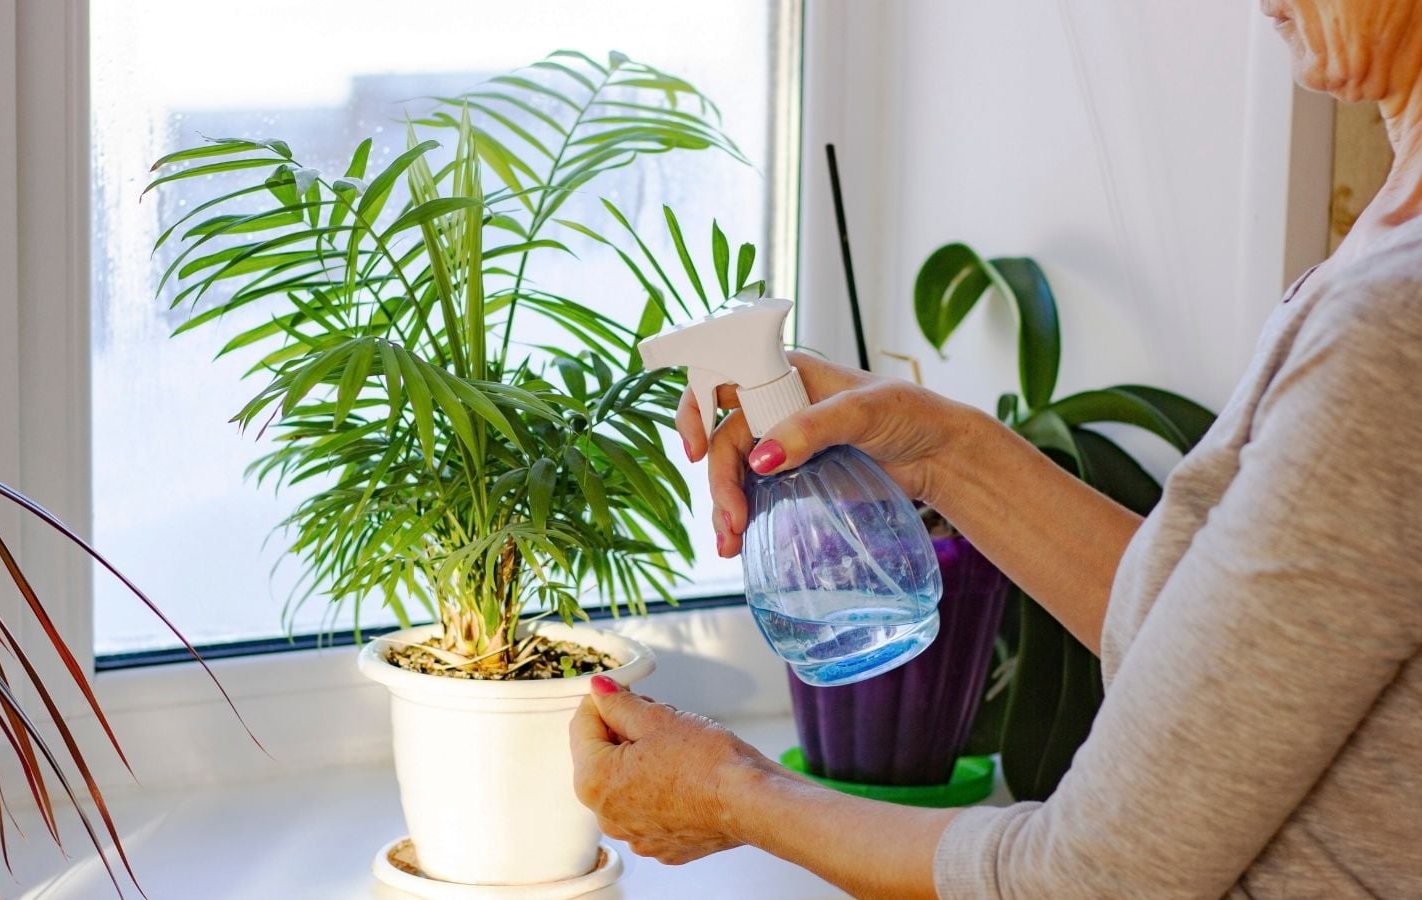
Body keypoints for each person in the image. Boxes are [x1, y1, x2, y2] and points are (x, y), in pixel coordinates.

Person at [568, 1, 1422, 896]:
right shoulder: (1379, 246)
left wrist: (733, 794)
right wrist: (934, 447)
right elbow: (1223, 665)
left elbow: (1096, 877)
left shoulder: (1393, 322)